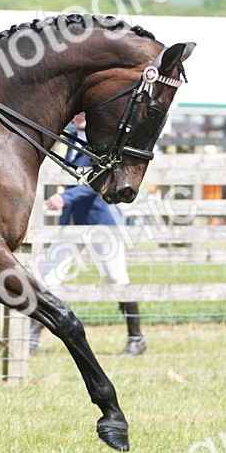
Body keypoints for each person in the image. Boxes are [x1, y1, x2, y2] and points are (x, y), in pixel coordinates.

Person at [30, 113, 146, 357]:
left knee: (116, 279)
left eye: (85, 113)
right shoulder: (70, 139)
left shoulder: (101, 142)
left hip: (101, 224)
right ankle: (30, 339)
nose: (80, 117)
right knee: (48, 279)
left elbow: (100, 181)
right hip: (72, 224)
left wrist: (65, 197)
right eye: (78, 113)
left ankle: (136, 338)